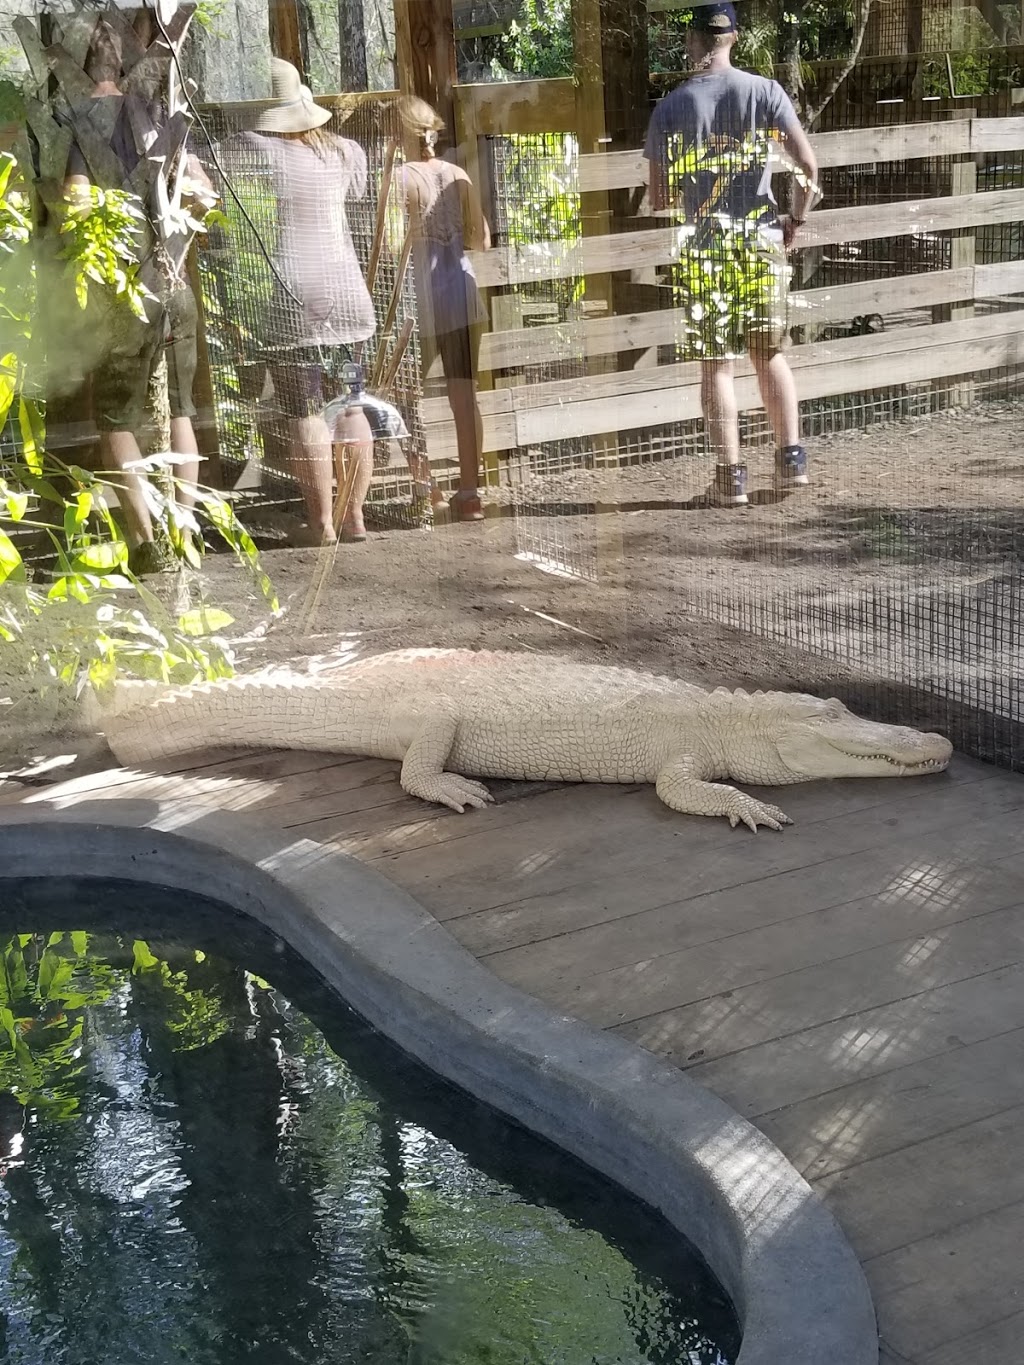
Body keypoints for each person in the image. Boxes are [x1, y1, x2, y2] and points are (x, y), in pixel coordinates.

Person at [644, 0, 819, 507]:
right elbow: (808, 167)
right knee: (769, 354)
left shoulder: (671, 107)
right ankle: (791, 463)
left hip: (704, 247)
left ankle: (731, 479)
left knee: (715, 364)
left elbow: (658, 196)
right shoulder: (765, 92)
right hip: (761, 239)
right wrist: (794, 219)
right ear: (734, 37)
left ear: (692, 41)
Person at [216, 59, 377, 544]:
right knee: (350, 407)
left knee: (306, 411)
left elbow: (209, 159)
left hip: (295, 297)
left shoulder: (257, 148)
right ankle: (356, 518)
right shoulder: (347, 151)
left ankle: (322, 523)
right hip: (349, 294)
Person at [393, 95, 490, 523]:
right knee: (464, 394)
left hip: (421, 300)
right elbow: (481, 239)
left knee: (404, 394)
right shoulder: (458, 174)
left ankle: (426, 486)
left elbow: (393, 246)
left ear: (402, 133)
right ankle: (470, 493)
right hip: (463, 296)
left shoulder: (399, 178)